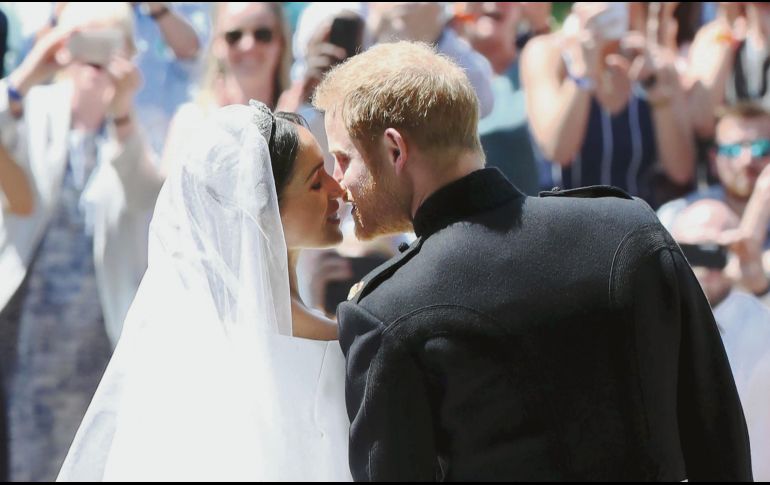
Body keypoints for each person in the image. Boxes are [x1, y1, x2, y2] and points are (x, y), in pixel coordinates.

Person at [313, 40, 752, 481]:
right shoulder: (627, 229)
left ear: (394, 150)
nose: (337, 181)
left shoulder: (386, 312)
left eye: (343, 158)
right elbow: (719, 438)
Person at [58, 101, 351, 481]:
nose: (337, 188)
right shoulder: (333, 339)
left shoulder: (179, 340)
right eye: (316, 181)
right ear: (261, 208)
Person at [0, 4, 162, 480]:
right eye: (86, 43)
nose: (97, 60)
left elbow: (144, 194)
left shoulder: (136, 121)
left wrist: (122, 114)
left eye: (110, 45)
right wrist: (29, 72)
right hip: (25, 333)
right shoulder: (32, 108)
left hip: (100, 341)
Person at [522, 2, 695, 206]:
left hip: (635, 228)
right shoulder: (547, 52)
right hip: (564, 225)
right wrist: (583, 74)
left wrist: (657, 92)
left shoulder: (652, 61)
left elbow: (681, 171)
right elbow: (557, 150)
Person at [671, 200, 770, 480]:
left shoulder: (761, 319)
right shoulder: (655, 317)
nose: (703, 266)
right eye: (690, 252)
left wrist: (758, 283)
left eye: (713, 253)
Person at [658, 103, 770, 298]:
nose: (747, 159)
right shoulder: (680, 214)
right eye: (733, 150)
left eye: (762, 148)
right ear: (713, 160)